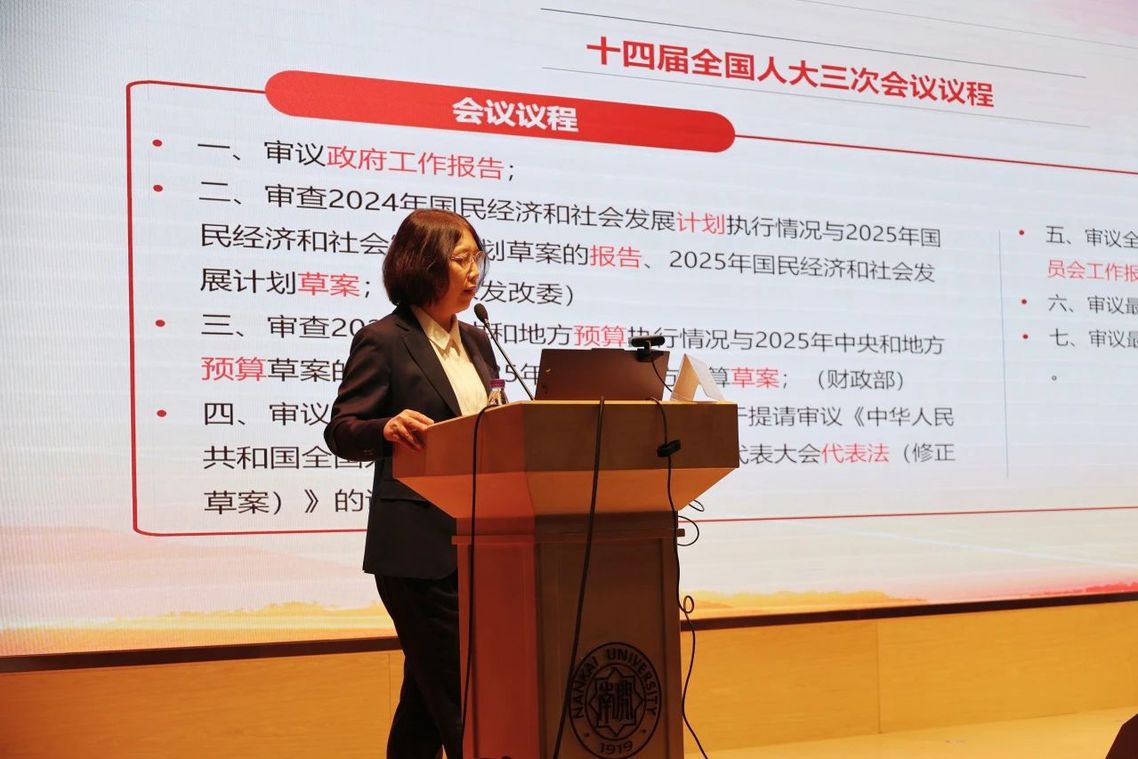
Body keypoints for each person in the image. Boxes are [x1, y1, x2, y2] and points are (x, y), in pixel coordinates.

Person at [324, 208, 498, 759]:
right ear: (424, 264)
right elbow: (342, 430)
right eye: (461, 259)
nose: (474, 272)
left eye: (477, 259)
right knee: (460, 697)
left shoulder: (477, 341)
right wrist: (385, 428)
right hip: (418, 553)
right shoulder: (384, 340)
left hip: (483, 543)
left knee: (426, 702)